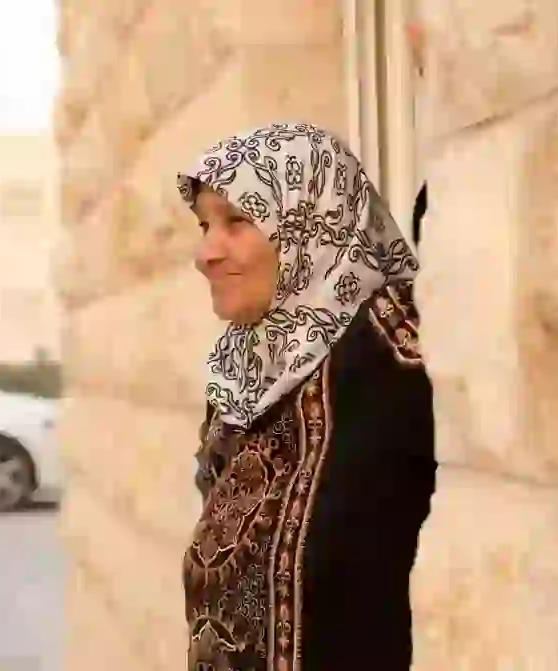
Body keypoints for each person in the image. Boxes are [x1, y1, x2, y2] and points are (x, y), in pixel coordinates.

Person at [178, 122, 435, 670]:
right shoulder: (244, 373)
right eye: (204, 225)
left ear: (311, 222)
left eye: (237, 221)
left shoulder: (393, 359)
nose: (205, 253)